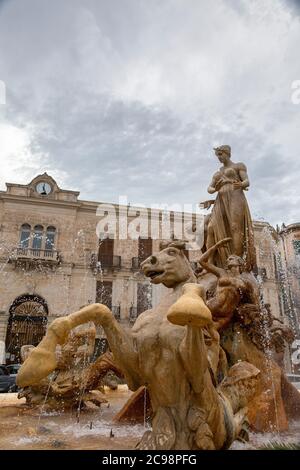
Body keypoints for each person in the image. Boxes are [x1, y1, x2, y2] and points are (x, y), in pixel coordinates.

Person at [200, 145, 256, 272]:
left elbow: (247, 181)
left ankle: (236, 258)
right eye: (217, 156)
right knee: (211, 228)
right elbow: (209, 188)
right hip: (221, 199)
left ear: (227, 153)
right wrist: (215, 189)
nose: (219, 158)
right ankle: (210, 262)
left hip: (236, 196)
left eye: (220, 154)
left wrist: (241, 184)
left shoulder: (238, 166)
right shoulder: (217, 173)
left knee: (236, 227)